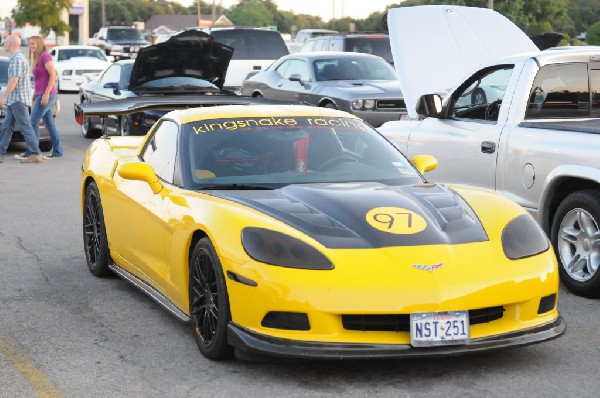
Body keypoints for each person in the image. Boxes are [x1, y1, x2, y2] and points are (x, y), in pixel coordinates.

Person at [17, 35, 62, 159]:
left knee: (32, 121)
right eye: (29, 44)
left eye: (33, 44)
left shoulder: (45, 57)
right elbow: (39, 79)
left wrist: (46, 93)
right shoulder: (37, 58)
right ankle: (58, 152)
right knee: (49, 124)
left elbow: (53, 75)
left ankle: (33, 151)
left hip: (48, 94)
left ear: (39, 44)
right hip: (40, 94)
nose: (31, 46)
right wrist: (35, 94)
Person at [0, 35, 42, 164]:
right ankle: (0, 154)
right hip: (14, 100)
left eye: (5, 42)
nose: (4, 44)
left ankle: (36, 154)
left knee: (25, 127)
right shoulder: (15, 58)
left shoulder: (17, 59)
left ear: (12, 43)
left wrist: (3, 98)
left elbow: (14, 81)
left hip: (18, 100)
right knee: (7, 126)